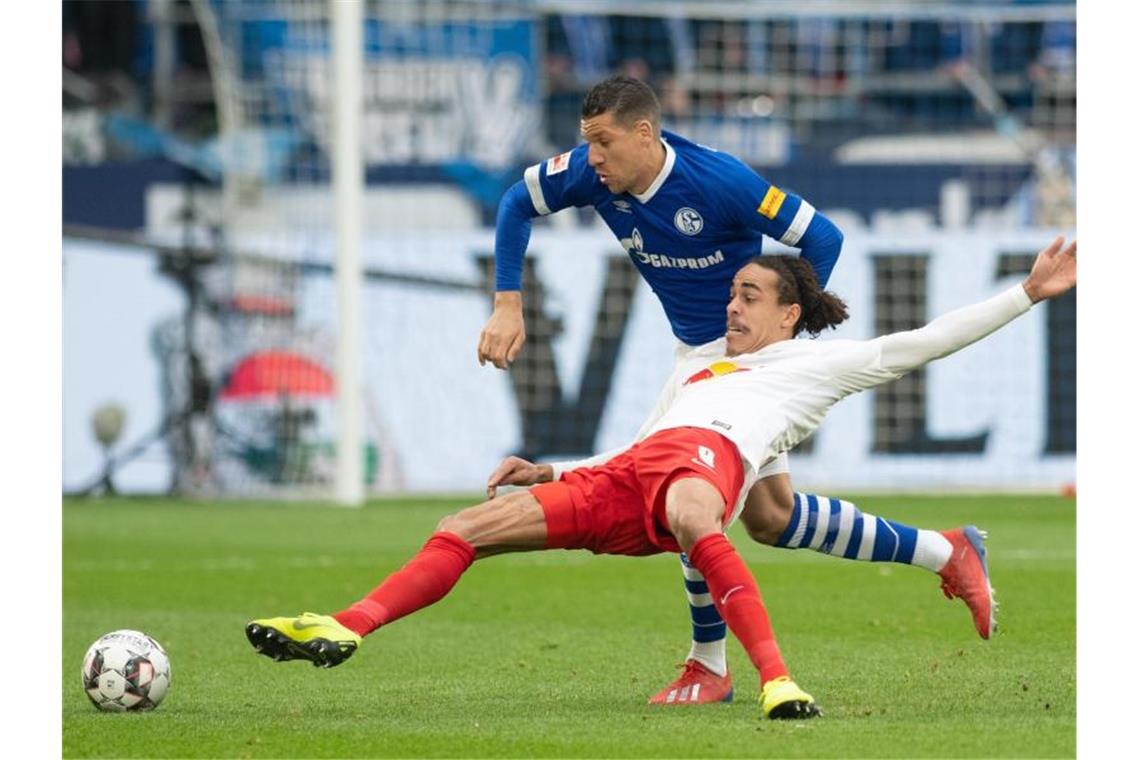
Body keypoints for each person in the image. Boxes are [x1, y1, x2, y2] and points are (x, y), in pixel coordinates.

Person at [245, 237, 1076, 720]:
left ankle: (772, 679)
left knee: (701, 509)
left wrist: (1026, 295)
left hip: (699, 474)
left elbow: (919, 342)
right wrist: (557, 473)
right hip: (641, 471)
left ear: (789, 313)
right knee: (471, 525)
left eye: (750, 296)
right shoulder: (699, 370)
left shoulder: (815, 366)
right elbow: (643, 449)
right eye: (733, 296)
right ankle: (347, 624)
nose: (733, 308)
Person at [476, 74, 991, 705]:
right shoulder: (590, 172)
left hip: (742, 357)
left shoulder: (719, 182)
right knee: (769, 517)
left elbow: (822, 236)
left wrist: (782, 340)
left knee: (689, 500)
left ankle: (708, 665)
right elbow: (514, 204)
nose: (594, 159)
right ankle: (947, 550)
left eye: (605, 143)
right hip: (703, 356)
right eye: (589, 144)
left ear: (645, 133)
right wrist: (508, 304)